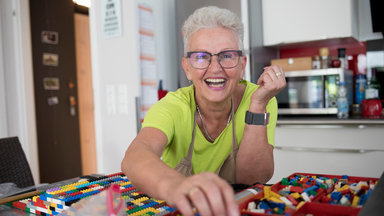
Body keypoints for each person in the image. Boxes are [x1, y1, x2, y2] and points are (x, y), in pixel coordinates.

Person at [121, 6, 286, 216]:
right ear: (187, 67)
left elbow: (254, 178)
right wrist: (176, 186)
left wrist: (258, 106)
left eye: (226, 56)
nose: (215, 68)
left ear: (242, 63)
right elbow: (134, 158)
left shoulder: (260, 97)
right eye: (201, 57)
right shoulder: (173, 106)